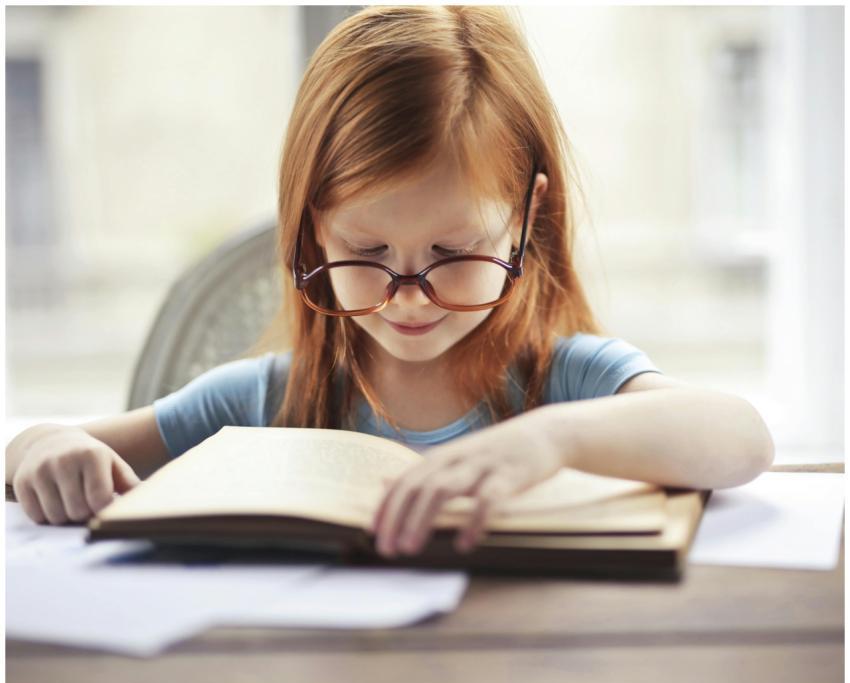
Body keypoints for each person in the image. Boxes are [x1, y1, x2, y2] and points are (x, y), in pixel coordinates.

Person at [5, 6, 775, 558]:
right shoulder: (262, 400)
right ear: (310, 228)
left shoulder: (567, 383)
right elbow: (33, 451)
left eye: (454, 250)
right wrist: (44, 445)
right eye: (367, 250)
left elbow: (741, 437)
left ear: (526, 216)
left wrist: (552, 439)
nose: (408, 295)